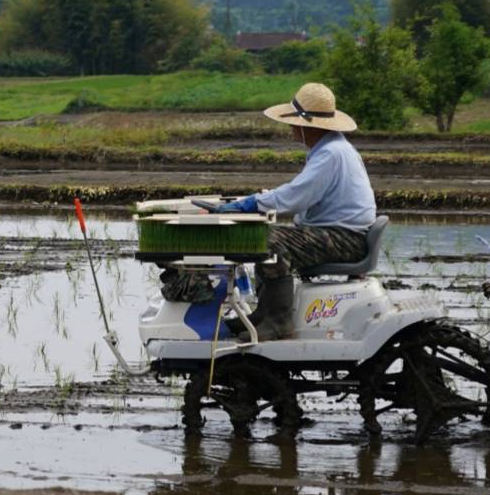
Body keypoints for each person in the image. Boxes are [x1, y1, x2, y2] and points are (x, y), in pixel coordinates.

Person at [159, 81, 376, 339]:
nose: (291, 128)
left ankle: (279, 322)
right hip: (341, 233)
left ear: (308, 125)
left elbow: (296, 195)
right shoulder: (332, 148)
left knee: (265, 240)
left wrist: (247, 205)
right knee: (266, 235)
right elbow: (299, 193)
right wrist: (254, 202)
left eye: (294, 122)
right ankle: (264, 315)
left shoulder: (330, 153)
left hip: (345, 239)